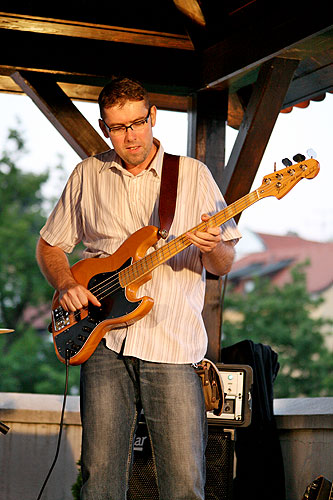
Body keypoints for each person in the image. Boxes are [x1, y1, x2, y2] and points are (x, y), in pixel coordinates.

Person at [36, 76, 241, 500]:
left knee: (184, 483)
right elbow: (50, 244)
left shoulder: (192, 175)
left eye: (137, 123)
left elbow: (223, 264)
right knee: (100, 480)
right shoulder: (87, 174)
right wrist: (67, 282)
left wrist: (214, 246)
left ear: (152, 117)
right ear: (104, 126)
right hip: (103, 341)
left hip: (172, 344)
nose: (130, 136)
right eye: (117, 127)